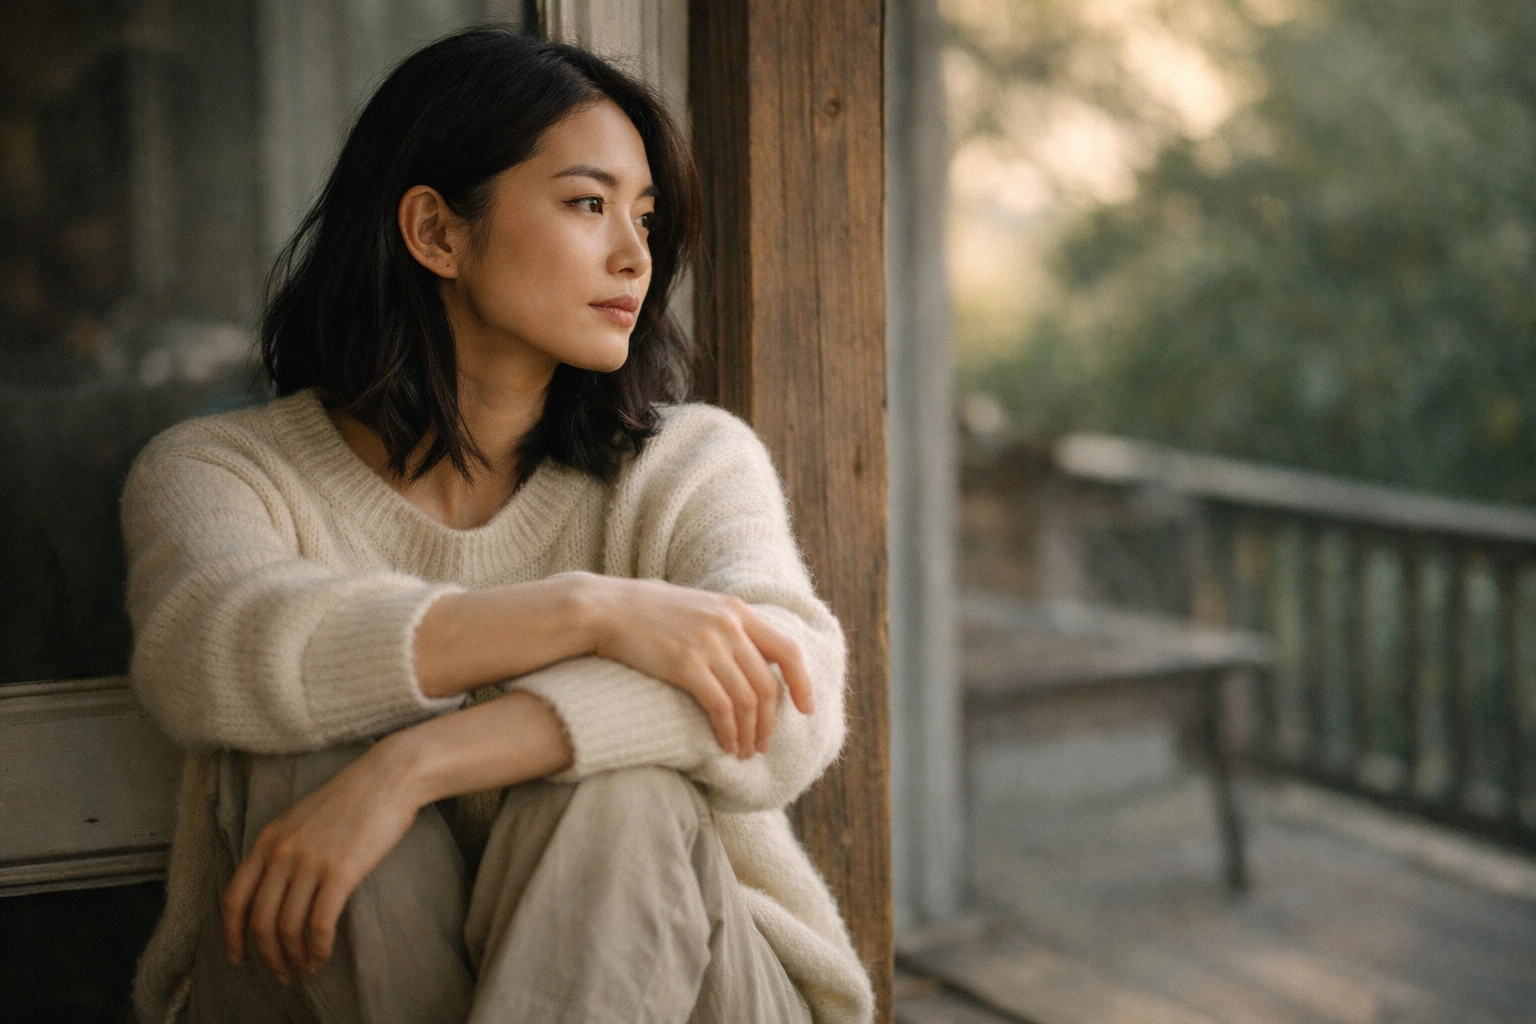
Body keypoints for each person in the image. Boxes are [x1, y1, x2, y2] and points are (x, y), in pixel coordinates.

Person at [120, 28, 873, 1024]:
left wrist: (414, 763)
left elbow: (788, 694)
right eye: (587, 203)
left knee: (624, 791)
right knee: (291, 752)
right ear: (436, 232)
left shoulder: (688, 460)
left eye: (645, 217)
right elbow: (212, 650)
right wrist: (592, 614)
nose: (634, 255)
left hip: (699, 986)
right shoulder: (219, 472)